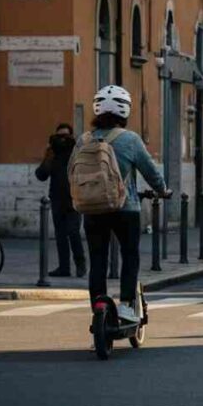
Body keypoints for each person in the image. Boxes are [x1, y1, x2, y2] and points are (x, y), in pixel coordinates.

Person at [74, 85, 170, 324]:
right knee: (130, 255)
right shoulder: (130, 139)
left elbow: (72, 172)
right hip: (124, 209)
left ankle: (97, 304)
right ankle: (127, 305)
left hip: (92, 209)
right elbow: (150, 171)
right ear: (125, 111)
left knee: (97, 258)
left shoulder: (83, 139)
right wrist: (163, 190)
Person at [35, 123, 86, 278]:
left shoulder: (77, 151)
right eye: (59, 137)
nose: (62, 140)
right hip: (57, 199)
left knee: (73, 232)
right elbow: (41, 175)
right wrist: (47, 155)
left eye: (66, 136)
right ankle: (64, 267)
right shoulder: (53, 153)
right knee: (60, 235)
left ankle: (80, 265)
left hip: (74, 199)